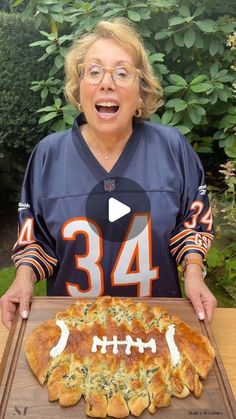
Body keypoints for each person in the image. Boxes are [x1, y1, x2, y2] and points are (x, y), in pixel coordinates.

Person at [0, 18, 217, 330]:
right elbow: (34, 238)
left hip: (156, 329)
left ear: (141, 92)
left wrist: (194, 272)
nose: (106, 82)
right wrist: (23, 278)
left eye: (122, 72)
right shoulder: (48, 155)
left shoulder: (173, 149)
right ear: (79, 88)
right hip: (73, 333)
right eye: (95, 71)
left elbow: (193, 225)